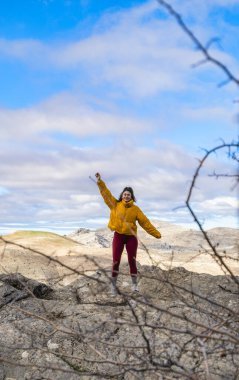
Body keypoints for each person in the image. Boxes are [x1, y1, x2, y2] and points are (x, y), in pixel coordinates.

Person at [95, 172, 161, 295]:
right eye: (124, 194)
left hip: (131, 238)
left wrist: (156, 234)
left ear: (131, 197)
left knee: (132, 260)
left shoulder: (136, 209)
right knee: (116, 261)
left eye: (128, 195)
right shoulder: (114, 204)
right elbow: (106, 193)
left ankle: (135, 285)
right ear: (122, 195)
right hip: (118, 236)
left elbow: (145, 222)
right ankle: (113, 287)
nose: (126, 196)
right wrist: (99, 181)